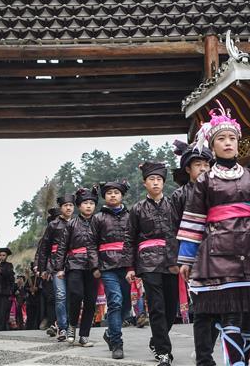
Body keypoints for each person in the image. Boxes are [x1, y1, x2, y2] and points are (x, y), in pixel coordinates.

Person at [177, 110, 250, 366]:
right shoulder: (205, 181)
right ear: (212, 145)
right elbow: (193, 219)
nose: (228, 142)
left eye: (232, 137)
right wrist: (186, 259)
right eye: (222, 138)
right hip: (218, 252)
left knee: (247, 317)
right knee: (230, 314)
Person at [126, 162, 181, 366]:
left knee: (170, 306)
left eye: (159, 179)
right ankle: (164, 352)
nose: (156, 182)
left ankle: (156, 340)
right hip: (148, 262)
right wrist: (131, 267)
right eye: (152, 179)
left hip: (172, 260)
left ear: (163, 183)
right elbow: (130, 239)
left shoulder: (174, 205)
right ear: (145, 183)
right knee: (157, 307)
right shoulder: (137, 209)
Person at [170, 141, 219, 366]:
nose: (203, 169)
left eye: (206, 164)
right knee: (202, 309)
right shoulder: (179, 195)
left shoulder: (218, 188)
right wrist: (178, 260)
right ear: (188, 169)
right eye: (197, 164)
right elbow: (172, 230)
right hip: (193, 256)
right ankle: (204, 358)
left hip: (219, 253)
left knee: (220, 307)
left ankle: (205, 348)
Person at [93, 181, 132, 359]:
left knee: (126, 305)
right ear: (104, 197)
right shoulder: (98, 218)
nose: (113, 195)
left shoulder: (131, 216)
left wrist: (134, 266)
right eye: (109, 193)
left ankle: (109, 333)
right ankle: (117, 342)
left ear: (122, 195)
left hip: (125, 266)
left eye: (116, 192)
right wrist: (95, 266)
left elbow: (134, 241)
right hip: (107, 266)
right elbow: (91, 244)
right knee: (115, 301)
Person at [57, 186, 99, 347]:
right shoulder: (71, 224)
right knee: (75, 295)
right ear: (79, 206)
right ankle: (72, 326)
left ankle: (84, 335)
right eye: (85, 203)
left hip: (94, 266)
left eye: (91, 203)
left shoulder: (99, 221)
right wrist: (60, 268)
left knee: (90, 301)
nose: (88, 206)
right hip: (74, 264)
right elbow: (62, 247)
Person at [43, 195, 75, 341]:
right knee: (60, 296)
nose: (68, 208)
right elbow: (44, 248)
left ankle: (71, 326)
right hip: (57, 266)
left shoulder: (78, 223)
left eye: (71, 205)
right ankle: (62, 328)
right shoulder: (53, 225)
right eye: (65, 205)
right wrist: (43, 268)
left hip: (75, 265)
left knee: (73, 297)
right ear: (61, 208)